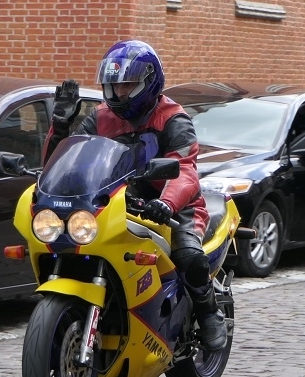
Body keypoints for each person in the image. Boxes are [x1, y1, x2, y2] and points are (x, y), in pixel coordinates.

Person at [44, 40, 228, 351]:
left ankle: (209, 313)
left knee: (188, 256)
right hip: (116, 201)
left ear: (149, 82)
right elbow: (64, 163)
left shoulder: (173, 118)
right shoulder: (101, 117)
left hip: (173, 205)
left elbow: (185, 168)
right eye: (114, 86)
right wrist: (60, 125)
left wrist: (166, 203)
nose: (120, 93)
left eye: (128, 85)